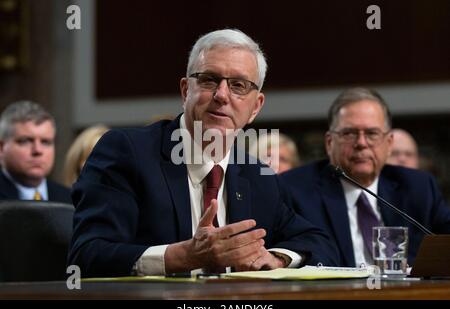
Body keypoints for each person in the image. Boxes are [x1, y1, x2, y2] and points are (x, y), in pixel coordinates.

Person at [68, 29, 338, 277]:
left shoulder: (258, 175)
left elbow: (317, 242)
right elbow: (88, 255)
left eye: (238, 85)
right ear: (186, 90)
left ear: (255, 107)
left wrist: (276, 259)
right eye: (209, 80)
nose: (222, 95)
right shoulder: (127, 152)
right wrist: (184, 256)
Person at [280, 87, 450, 268]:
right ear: (329, 143)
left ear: (389, 143)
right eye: (349, 133)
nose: (361, 143)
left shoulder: (419, 187)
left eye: (372, 133)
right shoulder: (295, 189)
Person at [0, 100, 71, 203]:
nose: (37, 150)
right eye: (25, 141)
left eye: (46, 142)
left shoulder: (71, 200)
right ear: (2, 148)